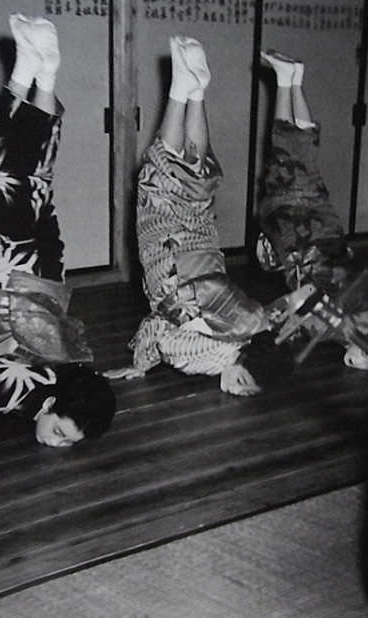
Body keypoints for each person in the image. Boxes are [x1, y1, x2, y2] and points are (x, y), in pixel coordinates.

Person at [0, 15, 116, 447]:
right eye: (59, 433)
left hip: (47, 272)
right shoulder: (16, 392)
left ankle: (39, 75)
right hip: (3, 275)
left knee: (33, 180)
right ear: (49, 406)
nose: (56, 444)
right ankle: (30, 74)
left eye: (65, 440)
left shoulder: (73, 380)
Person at [105, 37, 291, 395]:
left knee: (193, 177)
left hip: (205, 250)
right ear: (242, 373)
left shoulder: (252, 326)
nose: (238, 391)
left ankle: (196, 93)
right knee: (159, 176)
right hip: (171, 268)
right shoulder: (211, 360)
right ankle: (179, 90)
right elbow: (164, 338)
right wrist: (140, 365)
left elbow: (274, 313)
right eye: (244, 386)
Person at [257, 50, 368, 370]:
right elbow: (286, 311)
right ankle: (287, 80)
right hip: (300, 234)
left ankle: (293, 79)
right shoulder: (340, 326)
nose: (362, 365)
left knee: (303, 162)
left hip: (328, 229)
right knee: (284, 157)